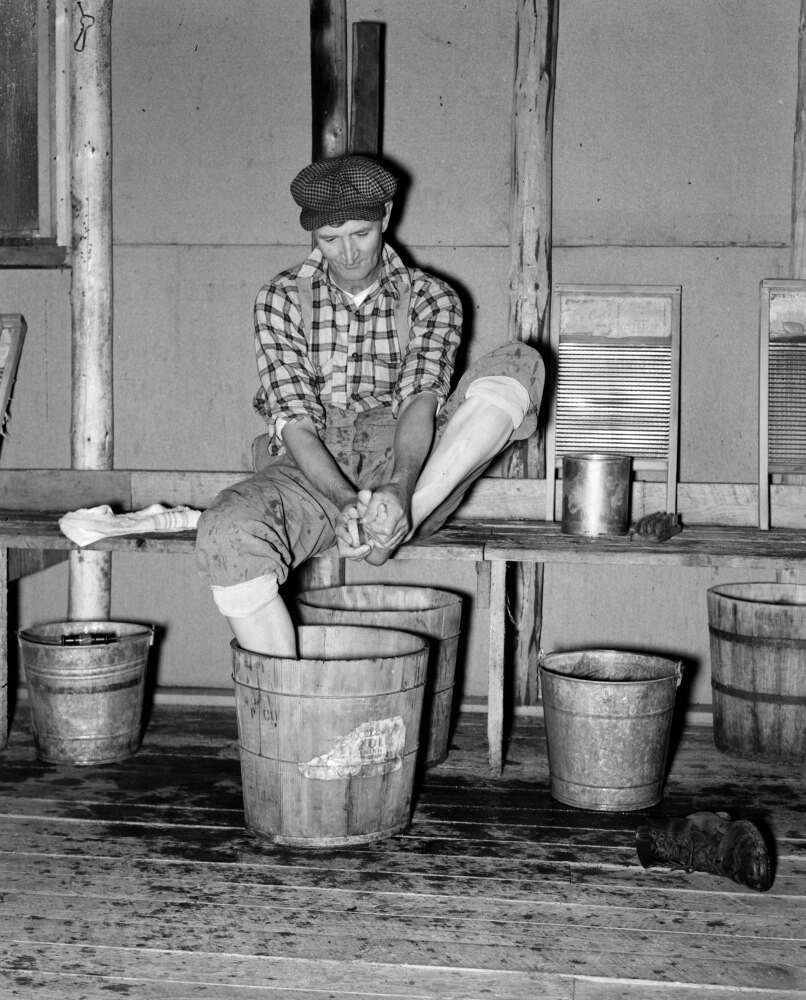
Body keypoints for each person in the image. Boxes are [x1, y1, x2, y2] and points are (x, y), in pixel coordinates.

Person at [195, 154, 544, 657]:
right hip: (308, 469)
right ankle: (293, 704)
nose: (348, 253)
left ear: (385, 213)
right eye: (329, 239)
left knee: (520, 363)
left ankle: (396, 523)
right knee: (224, 532)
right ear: (311, 234)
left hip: (411, 460)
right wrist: (343, 504)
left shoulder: (431, 297)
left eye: (360, 233)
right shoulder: (279, 299)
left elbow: (419, 403)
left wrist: (400, 491)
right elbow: (293, 421)